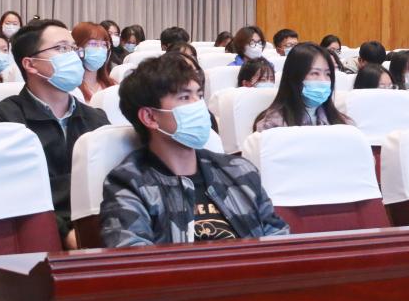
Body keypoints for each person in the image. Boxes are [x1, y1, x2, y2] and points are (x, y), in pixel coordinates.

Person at [100, 55, 289, 247]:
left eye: (199, 95)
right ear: (150, 117)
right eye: (185, 97)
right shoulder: (128, 184)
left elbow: (279, 241)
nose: (199, 106)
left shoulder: (239, 170)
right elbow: (135, 258)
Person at [0, 19, 110, 248]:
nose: (74, 56)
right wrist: (64, 233)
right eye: (62, 48)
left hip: (98, 231)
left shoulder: (96, 118)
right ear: (30, 64)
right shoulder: (2, 119)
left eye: (74, 49)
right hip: (34, 235)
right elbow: (12, 191)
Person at [252, 42, 353, 131]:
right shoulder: (271, 125)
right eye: (314, 73)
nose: (324, 80)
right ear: (294, 77)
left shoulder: (343, 123)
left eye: (328, 74)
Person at [72, 22, 116, 101]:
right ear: (77, 49)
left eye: (104, 45)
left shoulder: (113, 86)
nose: (100, 49)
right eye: (93, 44)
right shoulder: (70, 90)